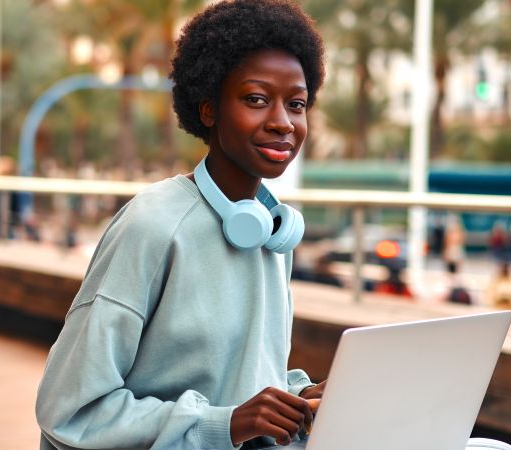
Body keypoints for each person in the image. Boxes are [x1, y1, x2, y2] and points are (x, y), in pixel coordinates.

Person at [35, 1, 327, 449]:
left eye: (297, 104)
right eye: (256, 99)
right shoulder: (154, 225)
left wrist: (296, 397)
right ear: (208, 109)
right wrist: (225, 425)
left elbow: (233, 379)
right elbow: (69, 409)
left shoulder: (272, 233)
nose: (283, 122)